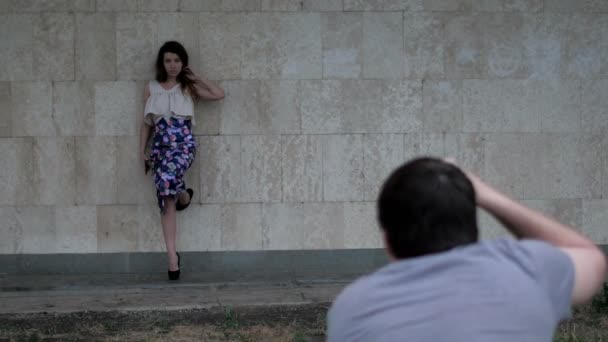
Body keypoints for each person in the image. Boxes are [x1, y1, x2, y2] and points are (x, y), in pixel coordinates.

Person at [327, 157, 606, 341]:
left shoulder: (353, 309)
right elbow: (591, 258)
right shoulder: (529, 270)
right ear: (472, 226)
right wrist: (485, 194)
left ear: (387, 241)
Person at [139, 41, 224, 280]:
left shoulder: (187, 88)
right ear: (161, 63)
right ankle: (172, 256)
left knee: (167, 182)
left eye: (177, 60)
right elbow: (146, 124)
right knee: (166, 197)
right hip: (160, 147)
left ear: (183, 63)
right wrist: (142, 151)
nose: (173, 65)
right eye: (168, 60)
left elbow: (219, 94)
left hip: (184, 145)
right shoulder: (151, 88)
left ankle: (183, 196)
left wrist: (197, 77)